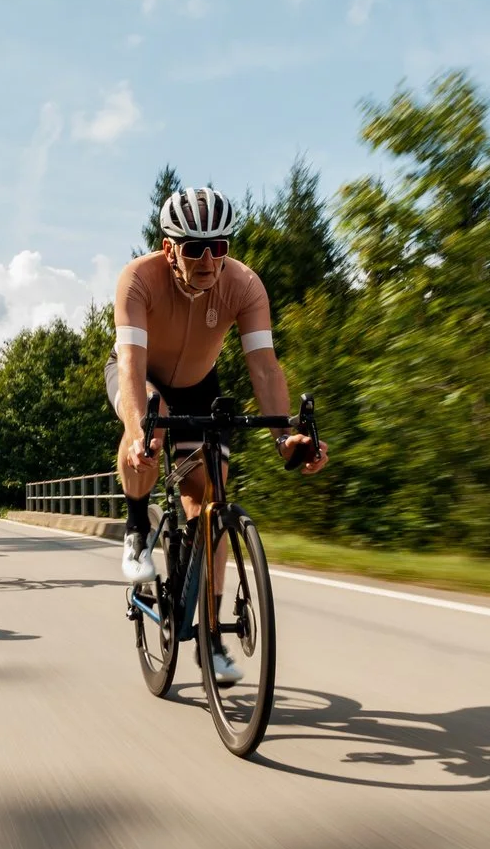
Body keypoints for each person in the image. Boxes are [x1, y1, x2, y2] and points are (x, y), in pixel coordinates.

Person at [109, 185, 327, 682]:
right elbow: (130, 367)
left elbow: (265, 369)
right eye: (194, 248)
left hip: (200, 385)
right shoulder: (137, 280)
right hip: (140, 376)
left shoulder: (245, 285)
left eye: (220, 246)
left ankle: (210, 634)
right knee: (147, 422)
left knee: (210, 498)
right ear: (170, 249)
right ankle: (137, 526)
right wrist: (141, 430)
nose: (209, 258)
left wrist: (283, 437)